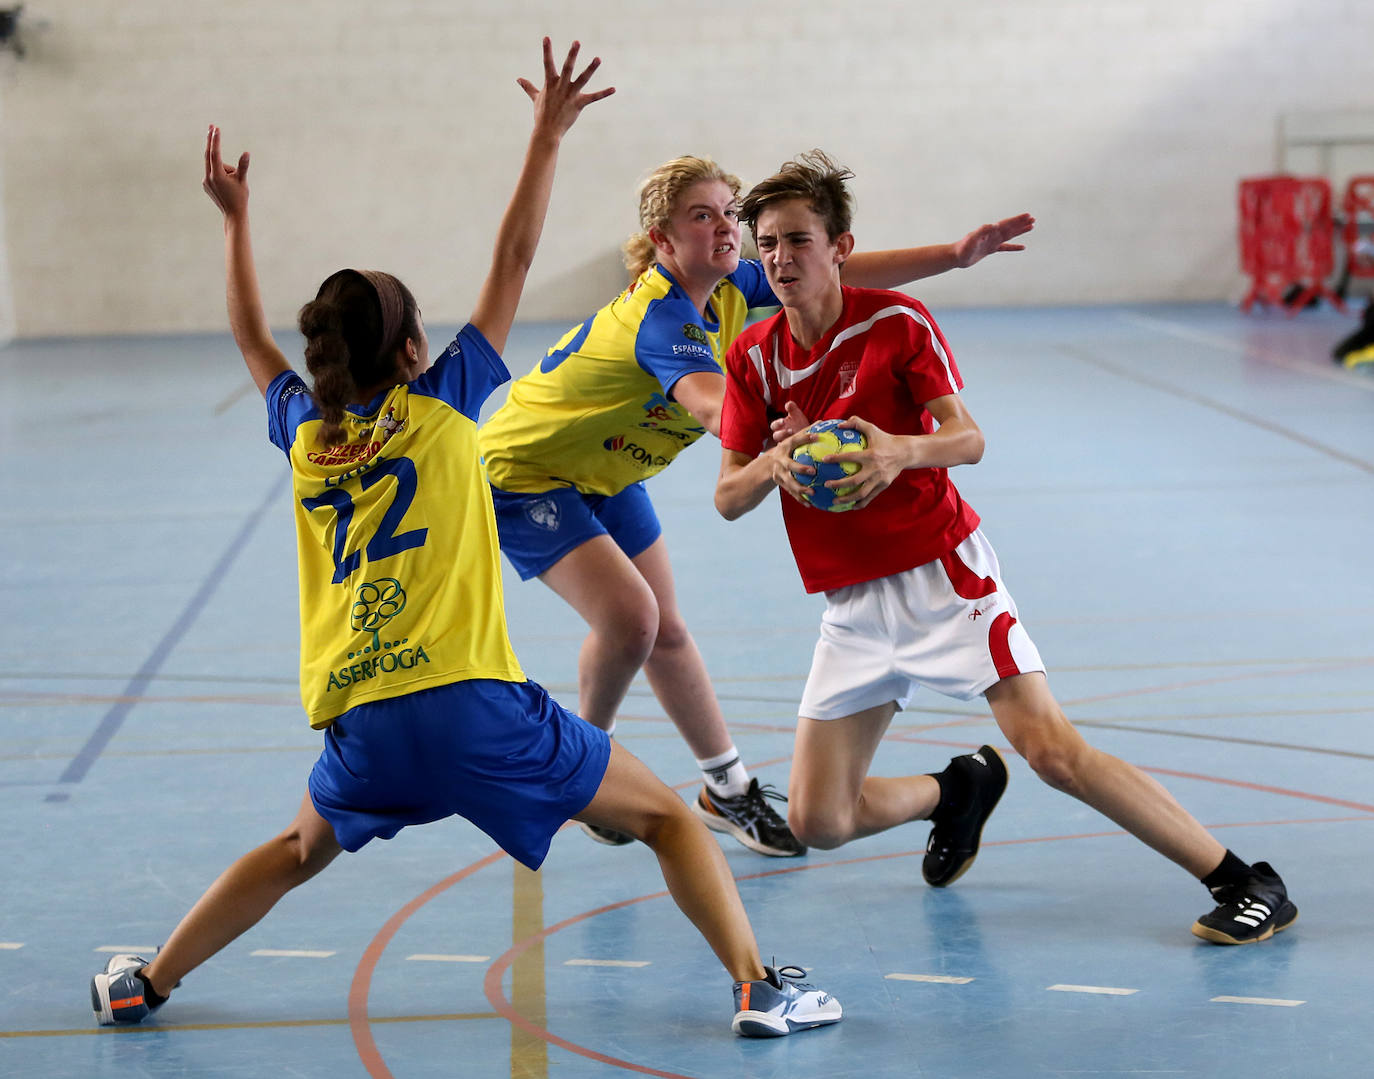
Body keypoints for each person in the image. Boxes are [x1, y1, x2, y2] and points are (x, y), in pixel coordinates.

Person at [88, 43, 842, 1041]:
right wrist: (546, 134)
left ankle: (148, 978)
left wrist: (236, 224)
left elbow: (249, 342)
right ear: (412, 351)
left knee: (295, 845)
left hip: (361, 721)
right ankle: (758, 986)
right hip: (469, 705)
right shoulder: (446, 404)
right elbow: (515, 259)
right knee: (664, 816)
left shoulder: (306, 434)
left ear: (322, 359)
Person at [713, 150, 1298, 945]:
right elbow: (727, 495)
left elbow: (968, 438)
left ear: (840, 245)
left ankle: (1245, 879)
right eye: (768, 243)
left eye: (799, 239)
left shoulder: (895, 323)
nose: (781, 258)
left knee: (1053, 752)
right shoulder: (752, 356)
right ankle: (956, 790)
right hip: (850, 603)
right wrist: (774, 464)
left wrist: (896, 449)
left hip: (941, 575)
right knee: (818, 818)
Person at [478, 152, 1035, 856]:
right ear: (663, 239)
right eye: (700, 216)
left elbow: (840, 269)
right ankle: (588, 774)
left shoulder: (734, 284)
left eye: (728, 214)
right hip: (527, 472)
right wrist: (791, 431)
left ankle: (727, 788)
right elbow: (721, 411)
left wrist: (952, 257)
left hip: (607, 472)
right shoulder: (663, 317)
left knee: (664, 631)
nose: (725, 229)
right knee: (632, 619)